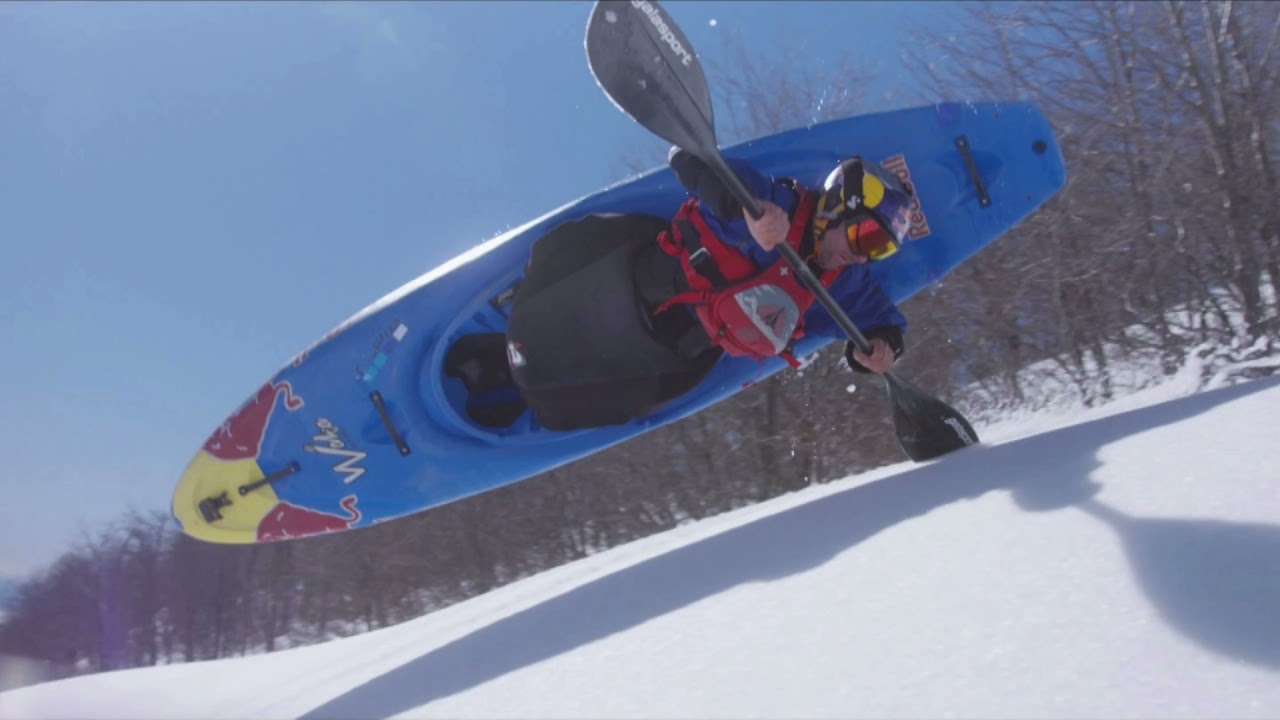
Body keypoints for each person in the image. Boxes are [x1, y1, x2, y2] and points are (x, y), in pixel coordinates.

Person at [486, 149, 912, 431]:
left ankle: (534, 396)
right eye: (868, 239)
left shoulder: (844, 285)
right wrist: (744, 212)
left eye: (881, 251)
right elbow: (687, 160)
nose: (863, 258)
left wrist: (880, 347)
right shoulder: (773, 200)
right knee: (546, 334)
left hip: (665, 357)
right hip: (624, 287)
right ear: (838, 208)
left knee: (572, 397)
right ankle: (517, 313)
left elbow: (883, 324)